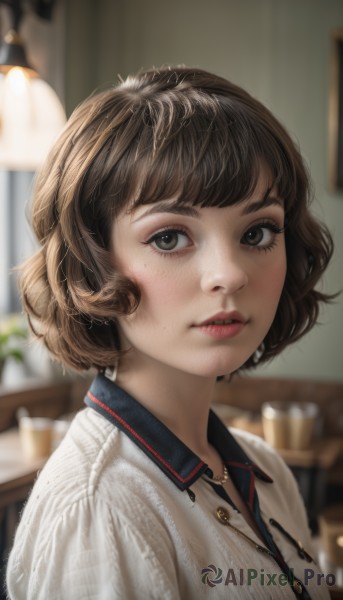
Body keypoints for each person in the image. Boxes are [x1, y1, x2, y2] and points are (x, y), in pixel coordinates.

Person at [6, 66, 334, 600]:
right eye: (168, 238)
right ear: (92, 265)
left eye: (257, 231)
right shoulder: (100, 512)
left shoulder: (262, 468)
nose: (229, 273)